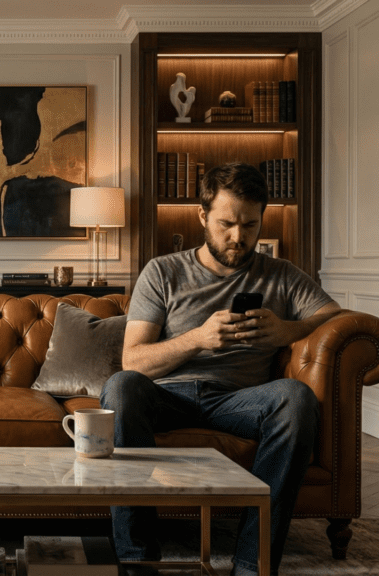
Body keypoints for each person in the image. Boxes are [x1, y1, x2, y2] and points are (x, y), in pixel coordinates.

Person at [100, 162, 340, 576]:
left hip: (239, 400)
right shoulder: (163, 272)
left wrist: (287, 330)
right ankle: (137, 558)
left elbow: (338, 316)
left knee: (297, 399)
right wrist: (197, 338)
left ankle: (253, 562)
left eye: (250, 224)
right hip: (168, 397)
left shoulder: (281, 275)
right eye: (226, 223)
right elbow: (133, 359)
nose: (238, 237)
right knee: (121, 388)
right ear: (201, 216)